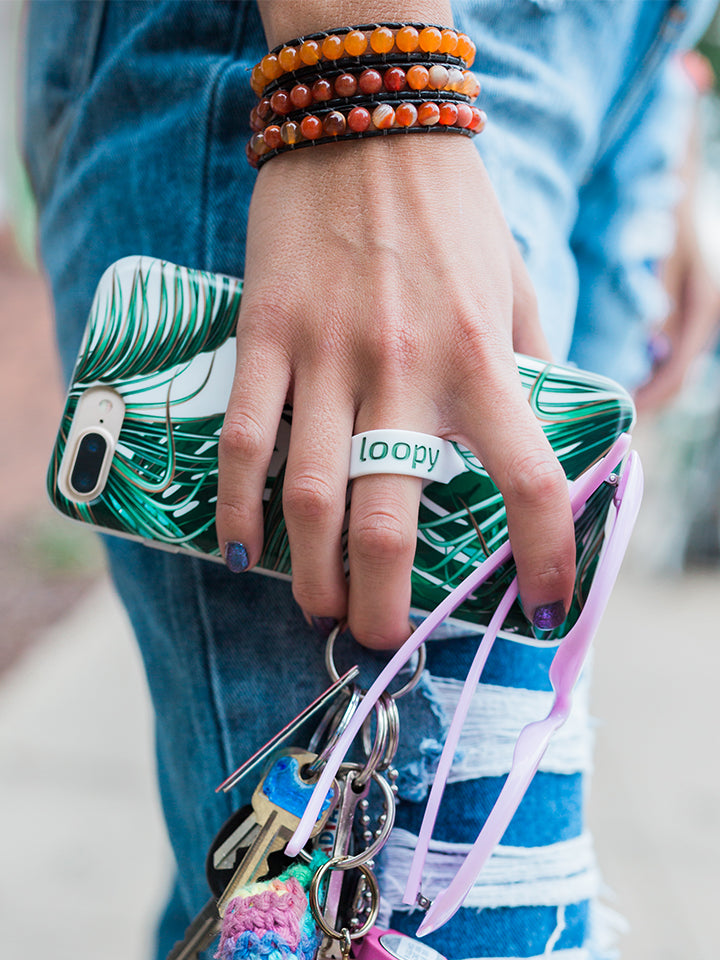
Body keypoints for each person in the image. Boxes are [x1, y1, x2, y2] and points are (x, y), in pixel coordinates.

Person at [23, 2, 718, 958]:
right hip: (377, 72)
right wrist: (372, 67)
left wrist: (652, 98)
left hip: (596, 74)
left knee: (240, 889)